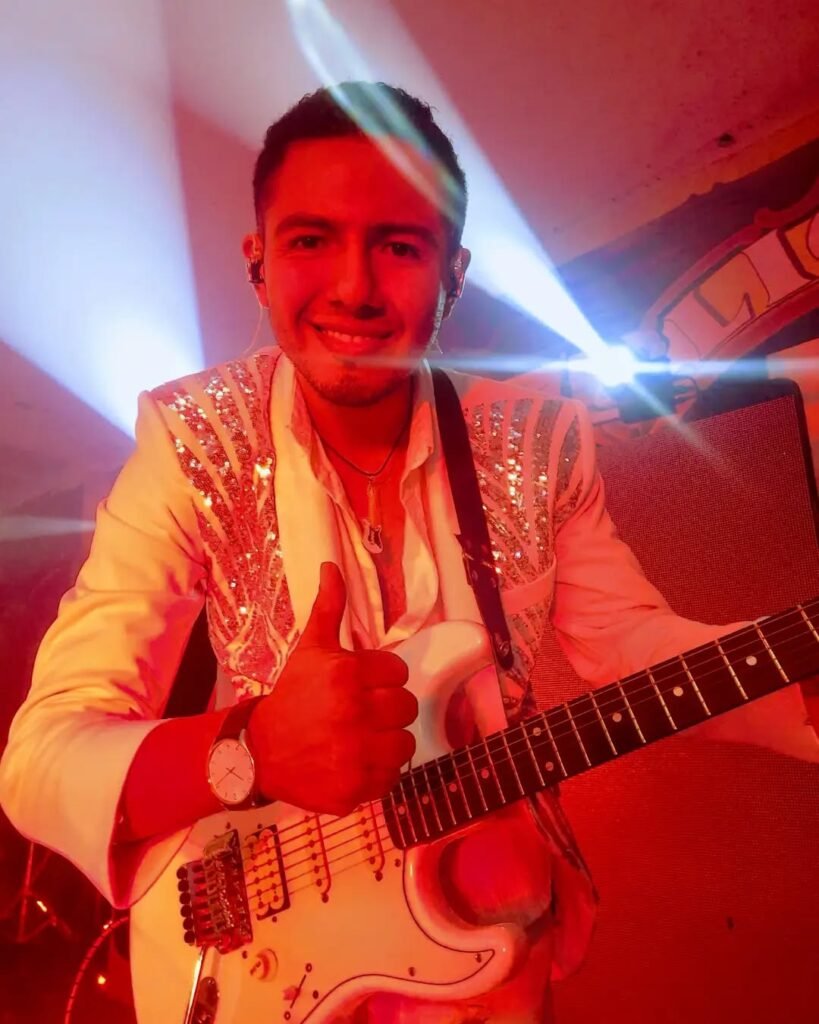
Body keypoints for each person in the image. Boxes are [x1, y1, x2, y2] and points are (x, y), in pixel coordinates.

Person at [0, 82, 816, 1024]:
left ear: (452, 274)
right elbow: (41, 760)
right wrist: (249, 750)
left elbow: (627, 646)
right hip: (274, 950)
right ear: (258, 262)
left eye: (398, 246)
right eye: (311, 240)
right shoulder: (193, 442)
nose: (353, 287)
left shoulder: (540, 437)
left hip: (494, 921)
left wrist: (795, 683)